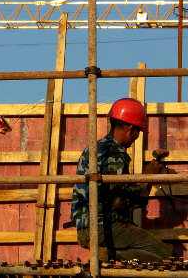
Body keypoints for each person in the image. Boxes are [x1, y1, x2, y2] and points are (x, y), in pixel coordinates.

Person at [71, 97, 173, 262]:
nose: (136, 137)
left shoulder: (95, 148)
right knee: (164, 254)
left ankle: (110, 257)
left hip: (87, 225)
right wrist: (150, 176)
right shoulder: (115, 154)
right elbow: (119, 199)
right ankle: (108, 257)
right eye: (137, 132)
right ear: (130, 129)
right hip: (103, 225)